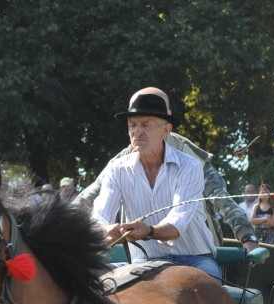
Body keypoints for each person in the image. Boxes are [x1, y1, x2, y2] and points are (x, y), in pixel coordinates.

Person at [76, 88, 258, 251]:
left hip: (194, 253)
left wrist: (247, 236)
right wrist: (57, 229)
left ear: (166, 123)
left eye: (146, 122)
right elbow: (89, 199)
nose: (138, 129)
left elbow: (222, 199)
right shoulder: (120, 163)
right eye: (133, 121)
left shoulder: (192, 158)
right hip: (143, 255)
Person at [89, 87, 222, 280]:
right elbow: (98, 219)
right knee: (90, 282)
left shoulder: (190, 166)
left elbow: (177, 224)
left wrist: (148, 231)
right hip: (144, 262)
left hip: (195, 260)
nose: (137, 132)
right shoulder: (116, 168)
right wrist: (106, 230)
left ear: (166, 130)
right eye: (132, 125)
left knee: (208, 291)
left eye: (145, 124)